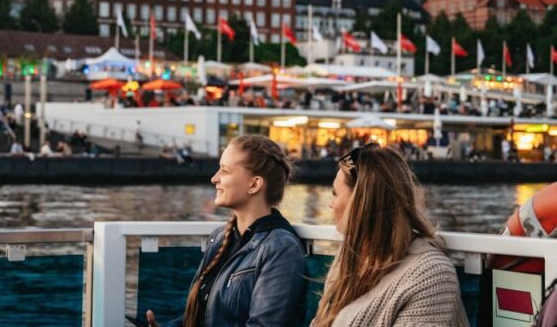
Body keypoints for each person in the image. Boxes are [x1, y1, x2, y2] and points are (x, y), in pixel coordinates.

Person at [146, 134, 306, 327]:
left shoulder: (281, 248)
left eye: (225, 171)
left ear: (254, 184)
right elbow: (198, 318)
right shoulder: (220, 237)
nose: (214, 178)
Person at [311, 143, 468, 327]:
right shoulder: (349, 255)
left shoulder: (430, 276)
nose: (330, 204)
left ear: (360, 204)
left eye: (335, 194)